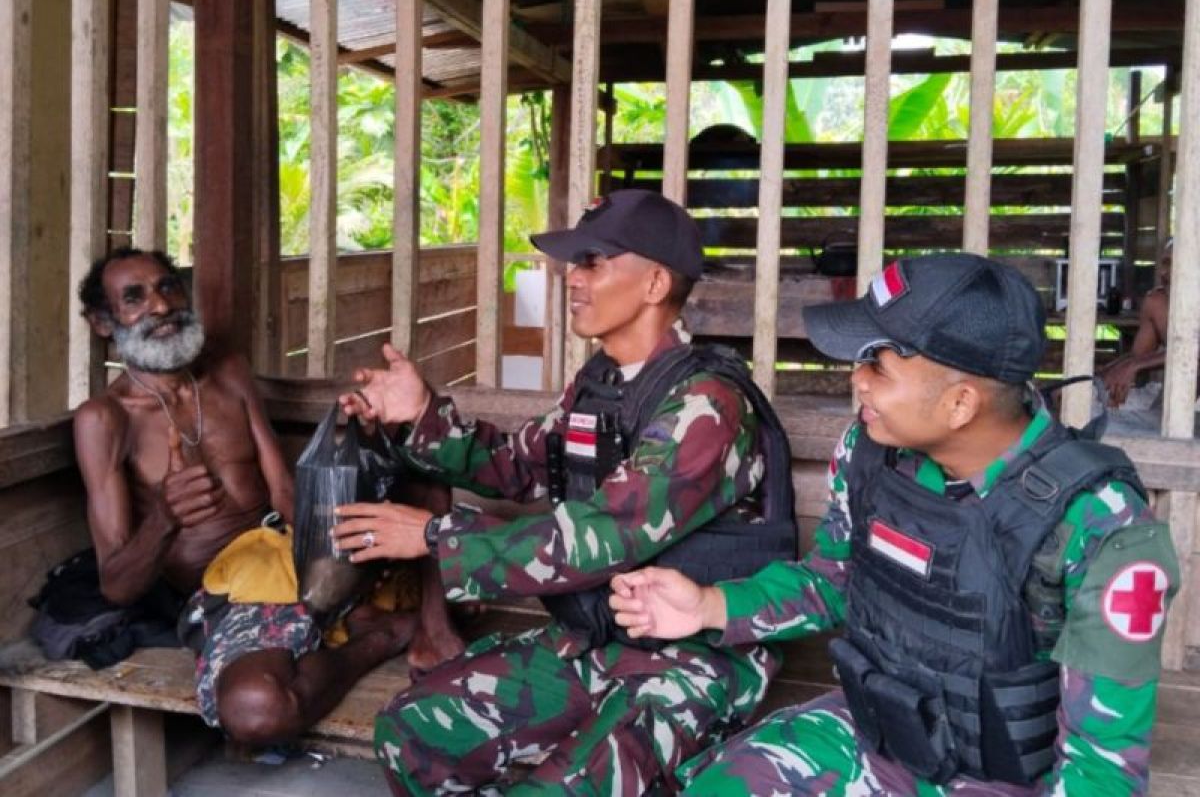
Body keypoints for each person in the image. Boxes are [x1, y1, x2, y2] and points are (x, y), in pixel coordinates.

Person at [610, 253, 1180, 796]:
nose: (856, 379)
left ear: (960, 404)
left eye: (877, 365)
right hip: (876, 728)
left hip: (1005, 776)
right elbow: (835, 580)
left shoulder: (1100, 523)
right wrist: (709, 606)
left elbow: (1102, 772)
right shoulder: (870, 451)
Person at [333, 189, 797, 795]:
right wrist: (420, 415)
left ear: (655, 284)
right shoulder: (600, 382)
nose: (570, 280)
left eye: (592, 263)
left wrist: (431, 536)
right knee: (413, 730)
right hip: (594, 640)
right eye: (573, 264)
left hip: (693, 659)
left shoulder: (709, 405)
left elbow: (604, 536)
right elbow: (520, 467)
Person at [72, 247, 454, 743]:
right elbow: (116, 585)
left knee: (423, 453)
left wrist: (356, 461)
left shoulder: (227, 372)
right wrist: (165, 516)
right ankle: (381, 634)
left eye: (168, 287)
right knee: (258, 710)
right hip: (236, 595)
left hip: (300, 552)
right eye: (134, 298)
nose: (161, 306)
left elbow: (283, 492)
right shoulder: (104, 419)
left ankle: (432, 624)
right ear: (104, 322)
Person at [1100, 239, 1172, 408]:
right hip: (1175, 402)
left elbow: (1192, 355)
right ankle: (1030, 434)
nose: (1164, 272)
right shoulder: (1156, 302)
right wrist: (1103, 375)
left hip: (1189, 405)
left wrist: (1134, 366)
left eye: (1173, 264)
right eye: (1164, 263)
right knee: (1073, 396)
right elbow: (1139, 355)